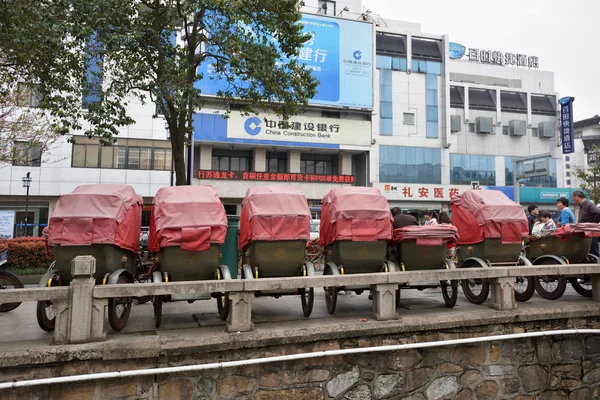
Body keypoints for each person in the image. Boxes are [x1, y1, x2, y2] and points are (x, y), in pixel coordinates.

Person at [572, 190, 600, 256]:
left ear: (577, 197)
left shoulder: (589, 204)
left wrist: (593, 224)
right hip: (585, 232)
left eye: (573, 197)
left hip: (590, 232)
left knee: (593, 252)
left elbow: (598, 212)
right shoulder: (582, 205)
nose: (572, 199)